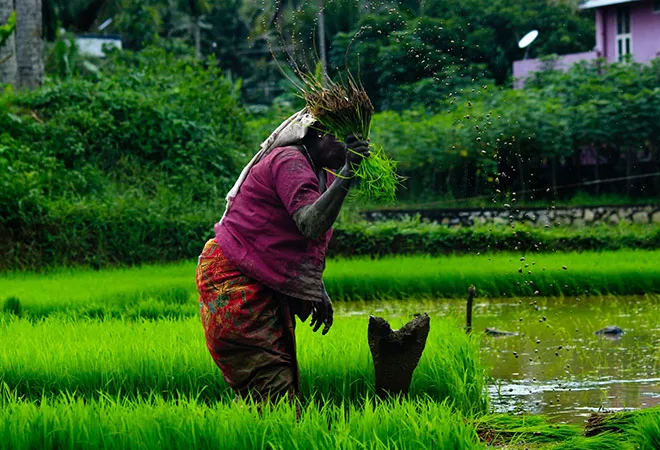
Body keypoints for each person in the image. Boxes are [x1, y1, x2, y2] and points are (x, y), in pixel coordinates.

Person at [195, 108, 370, 404]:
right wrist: (348, 172)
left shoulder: (319, 173)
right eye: (345, 140)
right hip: (235, 278)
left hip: (257, 276)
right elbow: (309, 223)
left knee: (271, 388)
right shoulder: (289, 160)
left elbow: (292, 242)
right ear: (321, 135)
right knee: (273, 391)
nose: (351, 147)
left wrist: (316, 288)